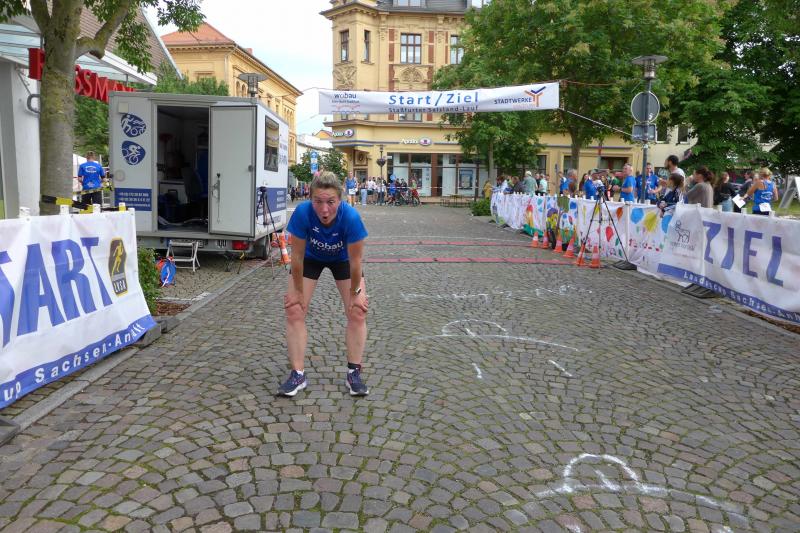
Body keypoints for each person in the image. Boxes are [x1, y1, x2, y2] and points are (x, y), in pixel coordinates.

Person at [279, 171, 370, 397]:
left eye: (330, 202)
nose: (324, 209)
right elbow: (296, 257)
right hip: (311, 258)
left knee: (358, 311)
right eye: (318, 201)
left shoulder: (351, 217)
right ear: (310, 199)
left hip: (343, 260)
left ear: (340, 199)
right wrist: (298, 292)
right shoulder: (303, 213)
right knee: (294, 309)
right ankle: (297, 374)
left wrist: (356, 293)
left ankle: (354, 373)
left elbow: (356, 262)